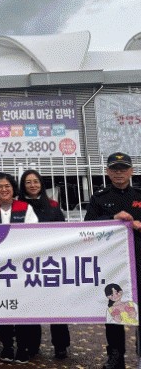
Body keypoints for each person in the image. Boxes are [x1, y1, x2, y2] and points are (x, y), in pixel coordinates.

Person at [85, 152, 141, 369]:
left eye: (123, 169)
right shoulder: (99, 197)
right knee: (115, 309)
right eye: (115, 169)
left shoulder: (139, 194)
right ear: (107, 172)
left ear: (131, 171)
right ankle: (116, 356)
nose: (119, 173)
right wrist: (112, 218)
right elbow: (88, 227)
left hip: (139, 260)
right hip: (113, 264)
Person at [0, 172, 38, 364]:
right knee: (3, 308)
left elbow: (34, 234)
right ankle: (7, 347)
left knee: (21, 308)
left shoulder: (25, 208)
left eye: (7, 186)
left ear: (13, 188)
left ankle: (22, 347)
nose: (4, 190)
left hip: (20, 268)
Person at [19, 169, 70, 360]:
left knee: (56, 305)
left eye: (36, 181)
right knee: (30, 305)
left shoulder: (53, 206)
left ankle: (61, 345)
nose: (32, 185)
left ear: (41, 184)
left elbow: (63, 233)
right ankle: (32, 345)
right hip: (26, 264)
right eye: (28, 182)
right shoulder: (18, 206)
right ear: (23, 185)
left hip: (50, 262)